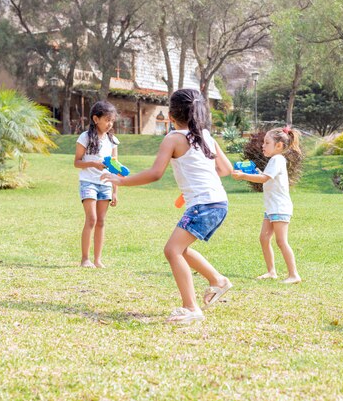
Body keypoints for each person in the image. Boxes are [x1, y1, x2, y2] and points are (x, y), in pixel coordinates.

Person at [101, 89, 233, 324]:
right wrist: (192, 187)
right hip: (218, 202)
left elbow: (154, 174)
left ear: (171, 115)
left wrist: (120, 181)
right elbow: (225, 170)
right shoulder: (205, 136)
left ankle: (191, 308)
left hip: (202, 204)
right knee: (179, 249)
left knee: (172, 250)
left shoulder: (173, 138)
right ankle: (218, 280)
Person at [232, 127, 302, 284]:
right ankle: (271, 272)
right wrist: (253, 172)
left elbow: (264, 179)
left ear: (278, 146)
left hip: (279, 207)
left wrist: (243, 175)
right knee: (264, 238)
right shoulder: (274, 160)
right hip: (272, 208)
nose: (263, 145)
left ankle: (294, 275)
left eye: (267, 142)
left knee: (281, 241)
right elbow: (265, 177)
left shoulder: (277, 159)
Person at [74, 101, 120, 269]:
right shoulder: (85, 137)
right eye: (107, 120)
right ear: (95, 119)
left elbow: (115, 166)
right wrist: (94, 164)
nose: (110, 124)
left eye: (112, 121)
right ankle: (85, 259)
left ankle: (97, 260)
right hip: (88, 182)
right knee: (91, 219)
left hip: (106, 184)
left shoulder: (112, 140)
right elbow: (77, 162)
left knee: (101, 221)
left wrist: (116, 191)